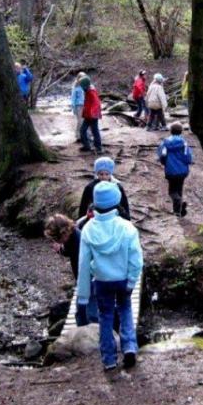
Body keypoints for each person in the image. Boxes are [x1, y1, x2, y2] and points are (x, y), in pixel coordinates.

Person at [75, 181, 143, 371]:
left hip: (102, 281)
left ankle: (109, 359)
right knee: (125, 310)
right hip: (123, 279)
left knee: (105, 317)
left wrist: (83, 296)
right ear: (116, 201)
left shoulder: (88, 229)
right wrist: (132, 280)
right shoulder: (127, 227)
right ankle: (129, 346)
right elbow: (136, 260)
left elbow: (83, 265)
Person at [44, 213, 98, 323]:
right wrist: (60, 250)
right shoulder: (71, 235)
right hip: (83, 278)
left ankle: (93, 329)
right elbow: (69, 250)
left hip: (90, 277)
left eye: (56, 239)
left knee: (90, 311)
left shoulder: (79, 240)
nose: (56, 242)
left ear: (63, 233)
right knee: (81, 310)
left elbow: (81, 259)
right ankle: (83, 327)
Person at [78, 156, 131, 221]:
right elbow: (83, 205)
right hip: (95, 217)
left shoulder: (117, 186)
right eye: (101, 174)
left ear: (110, 173)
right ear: (97, 174)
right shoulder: (90, 187)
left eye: (107, 174)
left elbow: (124, 204)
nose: (104, 177)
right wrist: (81, 219)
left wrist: (127, 218)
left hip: (114, 217)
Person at [157, 122, 193, 216]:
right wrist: (187, 163)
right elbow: (188, 157)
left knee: (172, 191)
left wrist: (165, 163)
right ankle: (178, 211)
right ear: (181, 131)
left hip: (171, 171)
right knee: (179, 189)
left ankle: (178, 206)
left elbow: (162, 156)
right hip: (183, 171)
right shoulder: (184, 143)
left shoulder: (165, 143)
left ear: (170, 131)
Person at [79, 75, 103, 153]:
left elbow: (97, 103)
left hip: (92, 115)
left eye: (82, 86)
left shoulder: (91, 92)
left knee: (94, 131)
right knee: (83, 130)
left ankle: (98, 147)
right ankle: (87, 146)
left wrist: (93, 113)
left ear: (85, 85)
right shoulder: (88, 91)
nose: (81, 88)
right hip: (88, 115)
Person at [70, 72, 86, 142]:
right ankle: (78, 135)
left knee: (85, 121)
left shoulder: (85, 86)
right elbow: (73, 98)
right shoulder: (75, 87)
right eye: (82, 77)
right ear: (78, 78)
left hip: (85, 105)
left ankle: (85, 135)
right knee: (80, 121)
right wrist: (73, 108)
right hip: (78, 106)